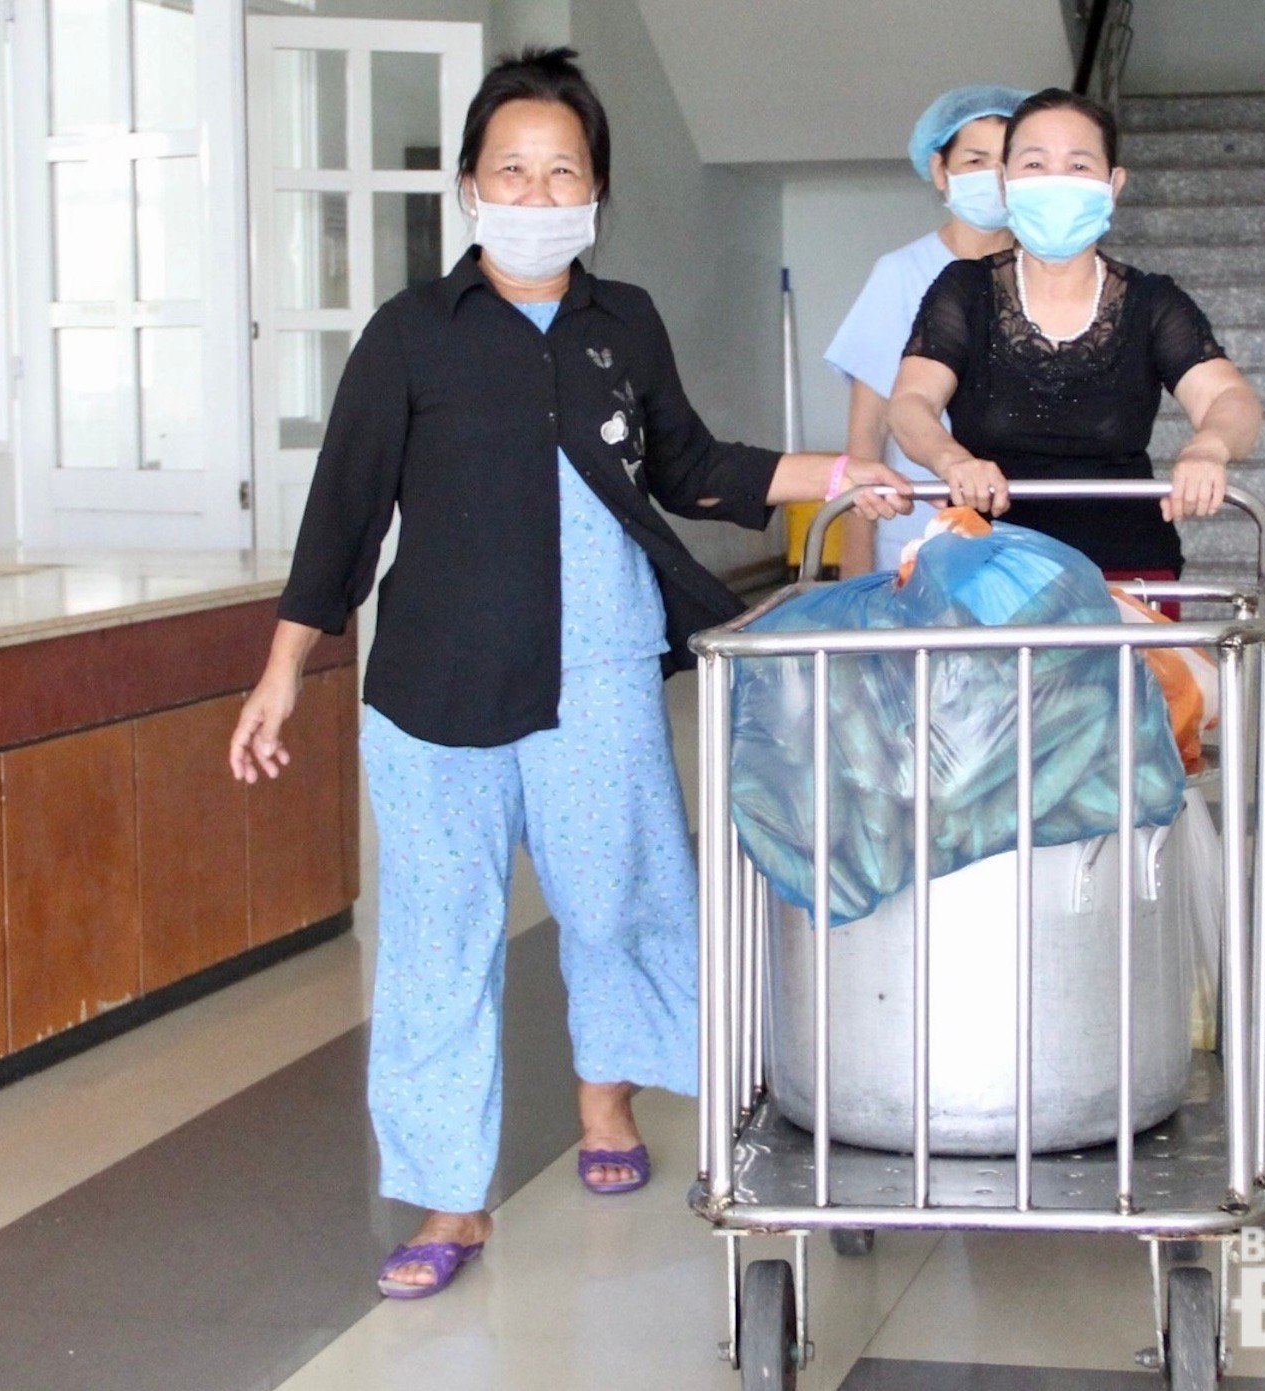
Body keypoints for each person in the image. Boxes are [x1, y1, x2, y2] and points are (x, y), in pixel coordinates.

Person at [226, 47, 909, 1301]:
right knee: (438, 942)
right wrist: (283, 670)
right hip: (431, 690)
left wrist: (839, 475)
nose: (538, 197)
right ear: (470, 187)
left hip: (594, 665)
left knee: (624, 898)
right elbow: (342, 513)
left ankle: (613, 1097)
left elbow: (694, 465)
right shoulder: (408, 336)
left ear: (596, 190)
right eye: (512, 172)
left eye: (563, 173)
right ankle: (447, 1196)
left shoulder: (621, 323)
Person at [888, 88, 1263, 611]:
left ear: (1114, 185)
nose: (1056, 181)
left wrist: (1210, 448)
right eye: (1035, 163)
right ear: (1005, 183)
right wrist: (951, 459)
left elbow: (1230, 399)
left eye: (1079, 164)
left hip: (1128, 574)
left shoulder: (1153, 302)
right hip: (987, 566)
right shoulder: (964, 290)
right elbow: (911, 404)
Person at [823, 84, 1029, 576]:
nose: (993, 178)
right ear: (941, 170)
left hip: (1026, 529)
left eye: (1009, 163)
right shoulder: (902, 273)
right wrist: (857, 575)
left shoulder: (1045, 273)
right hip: (918, 533)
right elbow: (867, 433)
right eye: (975, 160)